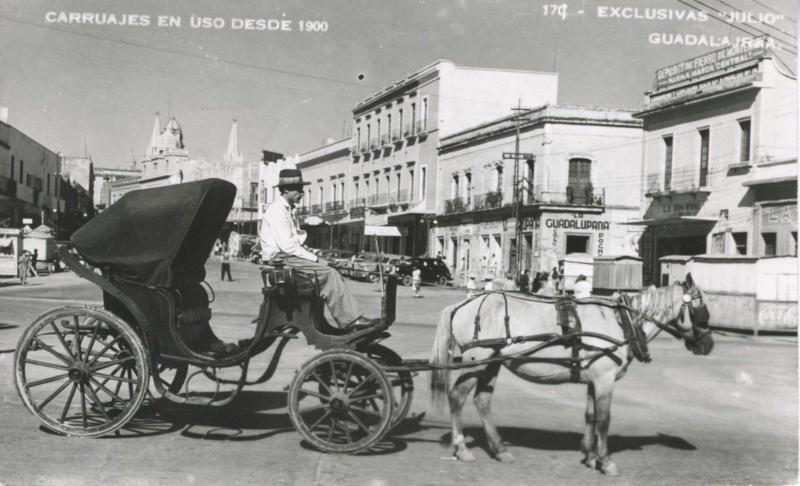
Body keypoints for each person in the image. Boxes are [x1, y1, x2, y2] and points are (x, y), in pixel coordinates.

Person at [261, 168, 375, 328]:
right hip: (281, 258)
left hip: (287, 256)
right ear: (286, 189)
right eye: (298, 189)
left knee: (332, 271)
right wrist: (317, 259)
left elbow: (294, 244)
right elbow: (288, 246)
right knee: (329, 274)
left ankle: (346, 316)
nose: (302, 193)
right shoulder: (277, 211)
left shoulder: (287, 210)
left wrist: (317, 257)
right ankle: (350, 320)